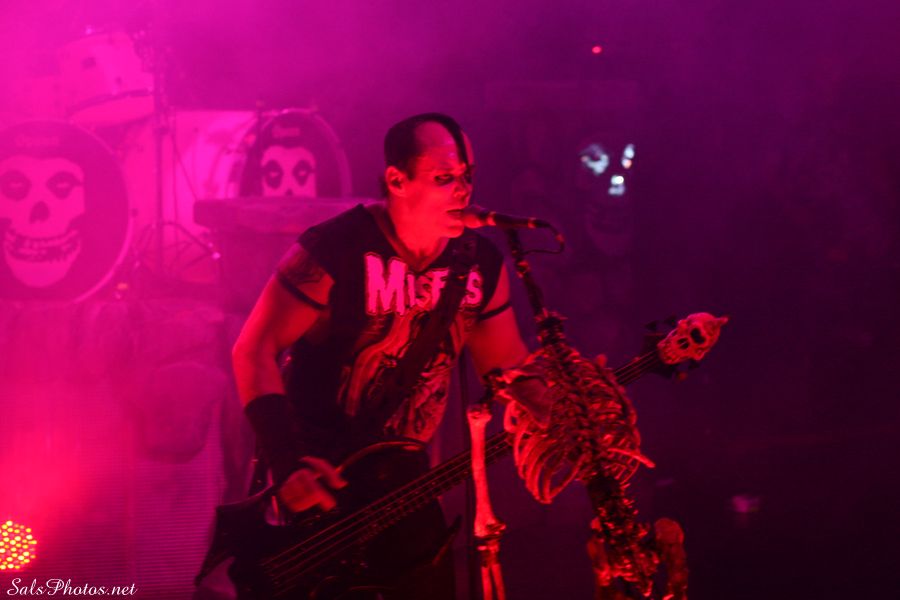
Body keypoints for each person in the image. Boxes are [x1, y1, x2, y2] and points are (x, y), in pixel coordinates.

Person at [231, 113, 530, 598]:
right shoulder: (334, 249)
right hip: (317, 490)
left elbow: (507, 367)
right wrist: (287, 464)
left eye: (468, 176)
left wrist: (557, 396)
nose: (462, 190)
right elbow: (253, 349)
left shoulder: (481, 263)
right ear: (396, 180)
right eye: (444, 177)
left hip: (405, 490)